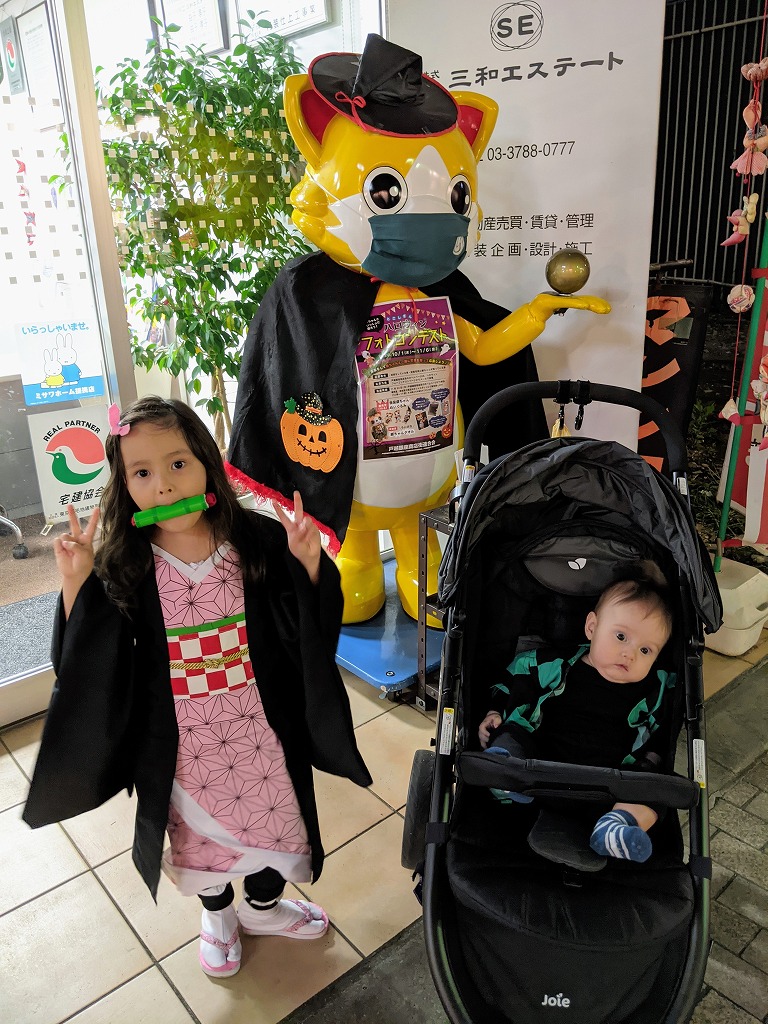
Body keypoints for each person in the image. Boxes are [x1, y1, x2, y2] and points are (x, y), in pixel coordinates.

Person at [23, 396, 372, 979]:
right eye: (141, 472)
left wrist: (309, 564)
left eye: (178, 464)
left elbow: (303, 626)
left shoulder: (255, 540)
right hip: (183, 743)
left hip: (261, 728)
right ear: (123, 485)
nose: (163, 485)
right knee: (200, 841)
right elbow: (87, 660)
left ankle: (263, 907)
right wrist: (77, 583)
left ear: (208, 464)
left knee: (276, 822)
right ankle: (218, 916)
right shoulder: (126, 562)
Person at [478, 562, 675, 870]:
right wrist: (493, 710)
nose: (630, 653)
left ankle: (615, 828)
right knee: (512, 731)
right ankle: (506, 775)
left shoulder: (657, 689)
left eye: (646, 650)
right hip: (536, 773)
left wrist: (652, 765)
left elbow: (663, 735)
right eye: (621, 636)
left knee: (656, 785)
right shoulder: (554, 665)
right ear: (592, 627)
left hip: (608, 792)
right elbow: (514, 676)